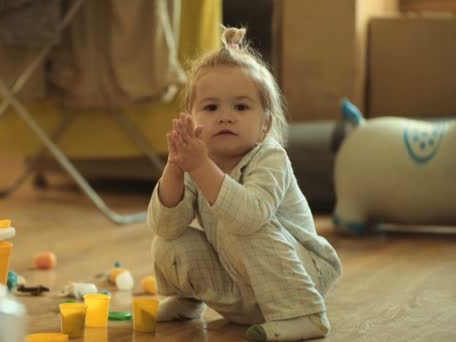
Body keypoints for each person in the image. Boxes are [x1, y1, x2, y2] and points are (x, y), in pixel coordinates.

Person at [146, 26, 342, 341]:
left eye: (241, 107)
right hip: (242, 290)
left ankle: (307, 316)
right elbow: (165, 226)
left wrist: (200, 166)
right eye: (211, 108)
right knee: (166, 240)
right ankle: (188, 300)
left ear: (265, 124)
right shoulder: (198, 159)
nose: (226, 117)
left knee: (243, 224)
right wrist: (175, 166)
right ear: (192, 118)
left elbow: (251, 216)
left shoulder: (270, 157)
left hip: (299, 281)